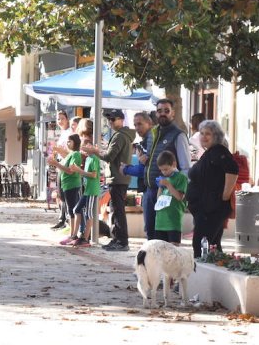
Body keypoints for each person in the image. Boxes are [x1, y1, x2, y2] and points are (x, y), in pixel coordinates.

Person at [185, 120, 238, 257]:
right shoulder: (209, 152)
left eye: (208, 134)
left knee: (200, 243)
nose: (204, 137)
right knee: (212, 245)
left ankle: (200, 275)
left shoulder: (219, 151)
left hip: (212, 208)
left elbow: (232, 169)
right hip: (205, 208)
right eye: (201, 133)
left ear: (216, 136)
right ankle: (216, 273)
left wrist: (225, 195)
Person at [141, 99, 191, 241]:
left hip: (170, 193)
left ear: (173, 113)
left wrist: (179, 190)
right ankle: (151, 262)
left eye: (166, 111)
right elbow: (151, 158)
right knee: (151, 231)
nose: (162, 114)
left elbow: (185, 166)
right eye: (159, 111)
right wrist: (144, 159)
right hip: (151, 189)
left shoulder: (179, 135)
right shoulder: (152, 133)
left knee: (167, 234)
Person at [100, 109, 134, 251]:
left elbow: (109, 157)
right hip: (119, 178)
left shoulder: (120, 136)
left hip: (118, 178)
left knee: (117, 211)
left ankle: (121, 241)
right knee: (116, 210)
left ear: (121, 119)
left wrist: (96, 152)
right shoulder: (122, 135)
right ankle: (117, 239)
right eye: (109, 120)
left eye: (113, 119)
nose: (111, 122)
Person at [48, 134, 83, 246]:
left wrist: (56, 164)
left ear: (75, 142)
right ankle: (71, 233)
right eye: (67, 141)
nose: (68, 143)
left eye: (70, 141)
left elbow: (70, 171)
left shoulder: (76, 154)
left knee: (72, 209)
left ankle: (73, 234)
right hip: (66, 185)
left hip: (72, 185)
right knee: (69, 209)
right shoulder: (71, 154)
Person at [153, 151, 188, 245]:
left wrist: (168, 185)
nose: (164, 172)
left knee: (173, 250)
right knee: (160, 250)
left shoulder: (181, 177)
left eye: (166, 169)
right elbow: (158, 199)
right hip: (160, 222)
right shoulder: (165, 179)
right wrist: (160, 186)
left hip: (173, 221)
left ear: (174, 164)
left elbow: (179, 197)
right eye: (161, 170)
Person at [72, 135, 100, 248]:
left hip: (92, 190)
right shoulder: (88, 159)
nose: (83, 148)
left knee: (88, 213)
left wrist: (80, 171)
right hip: (87, 190)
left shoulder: (94, 158)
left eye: (86, 145)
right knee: (77, 209)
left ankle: (86, 238)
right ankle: (78, 234)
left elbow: (94, 175)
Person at [49, 110, 74, 230]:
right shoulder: (62, 132)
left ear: (67, 119)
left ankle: (65, 219)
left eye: (62, 118)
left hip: (66, 164)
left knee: (64, 194)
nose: (60, 121)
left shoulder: (70, 132)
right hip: (59, 163)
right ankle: (62, 218)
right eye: (58, 119)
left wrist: (59, 150)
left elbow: (69, 151)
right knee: (59, 193)